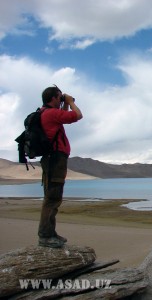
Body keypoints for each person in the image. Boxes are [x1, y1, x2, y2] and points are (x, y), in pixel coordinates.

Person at [38, 85, 83, 248]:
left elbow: (63, 117)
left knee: (52, 196)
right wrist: (70, 102)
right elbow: (78, 115)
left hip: (51, 159)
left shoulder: (45, 113)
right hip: (55, 160)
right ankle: (45, 236)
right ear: (53, 98)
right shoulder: (51, 113)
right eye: (59, 97)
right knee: (53, 197)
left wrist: (64, 104)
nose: (61, 99)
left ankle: (50, 233)